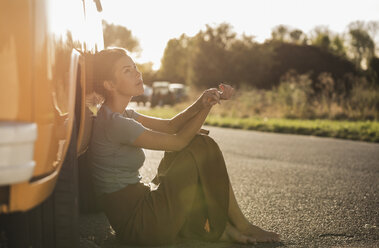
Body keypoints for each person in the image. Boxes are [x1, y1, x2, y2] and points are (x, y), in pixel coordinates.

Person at [89, 47, 280, 246]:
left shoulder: (120, 115)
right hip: (141, 225)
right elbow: (178, 141)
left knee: (198, 143)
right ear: (109, 84)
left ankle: (225, 227)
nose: (137, 73)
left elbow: (171, 126)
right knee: (198, 146)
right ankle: (237, 226)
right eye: (127, 71)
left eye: (135, 67)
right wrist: (208, 106)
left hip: (142, 214)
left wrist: (201, 101)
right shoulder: (116, 124)